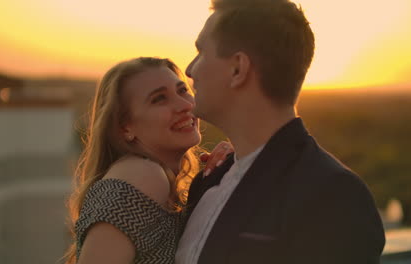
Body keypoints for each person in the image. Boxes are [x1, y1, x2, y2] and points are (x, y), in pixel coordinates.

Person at [176, 0, 386, 263]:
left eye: (201, 52)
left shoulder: (331, 195)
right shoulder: (209, 179)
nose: (189, 69)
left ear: (238, 69)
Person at [63, 57, 232, 264]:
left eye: (182, 90)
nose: (185, 105)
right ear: (125, 127)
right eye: (159, 99)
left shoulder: (156, 179)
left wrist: (227, 171)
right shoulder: (143, 173)